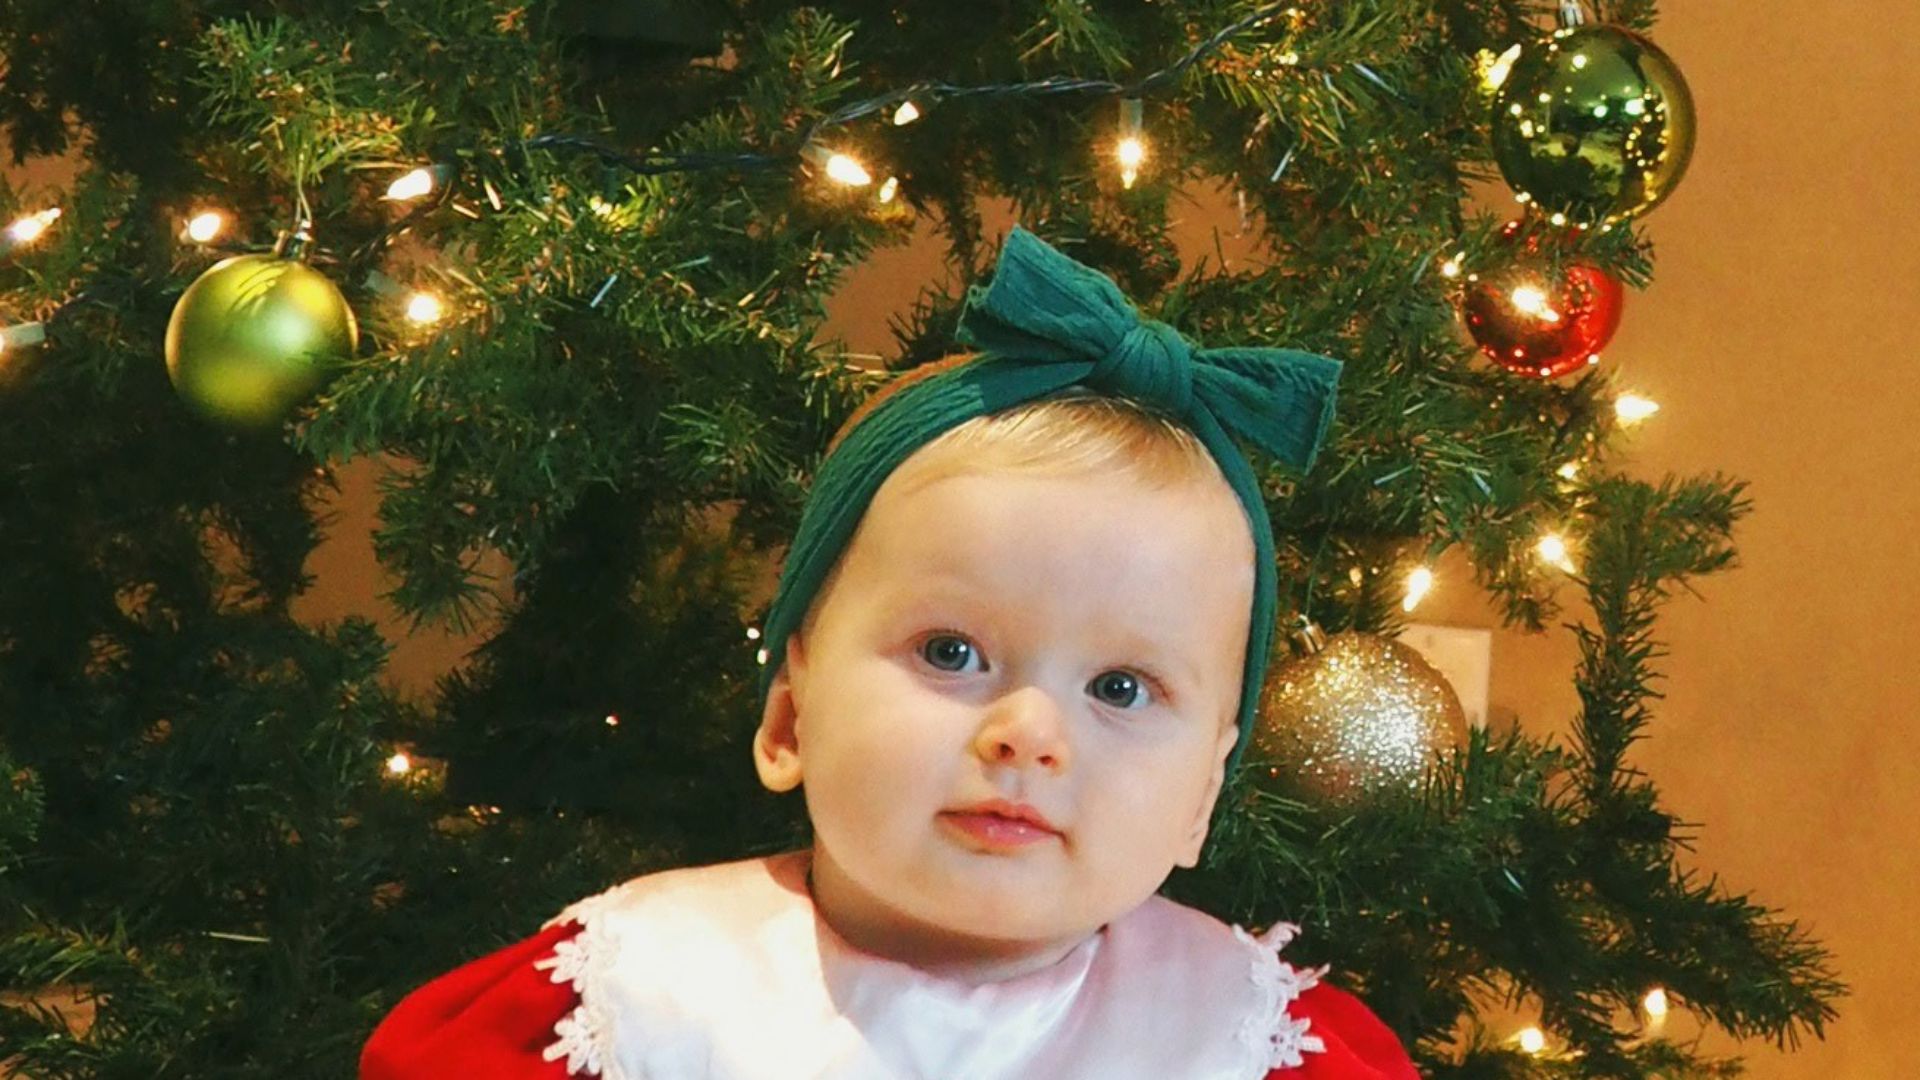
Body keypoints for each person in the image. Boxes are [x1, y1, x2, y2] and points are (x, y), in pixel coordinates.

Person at [359, 226, 1419, 1079]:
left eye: (1121, 687)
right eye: (953, 652)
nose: (1029, 736)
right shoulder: (624, 1007)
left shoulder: (1256, 1049)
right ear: (789, 717)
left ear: (1203, 796)